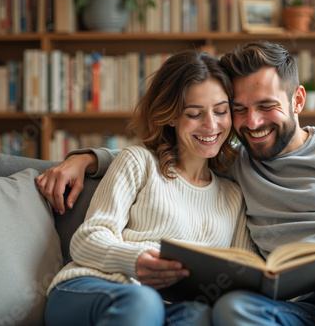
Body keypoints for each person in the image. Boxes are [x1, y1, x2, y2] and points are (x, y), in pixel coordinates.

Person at [37, 41, 315, 325]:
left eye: (267, 107)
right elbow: (169, 159)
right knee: (231, 311)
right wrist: (87, 159)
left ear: (297, 100)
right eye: (240, 110)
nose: (251, 123)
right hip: (301, 302)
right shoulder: (237, 164)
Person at [41, 49, 253, 326]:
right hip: (95, 289)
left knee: (199, 316)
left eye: (221, 111)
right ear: (171, 116)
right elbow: (87, 239)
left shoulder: (233, 195)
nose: (211, 125)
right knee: (143, 301)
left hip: (171, 308)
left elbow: (241, 272)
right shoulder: (138, 162)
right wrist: (136, 260)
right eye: (194, 113)